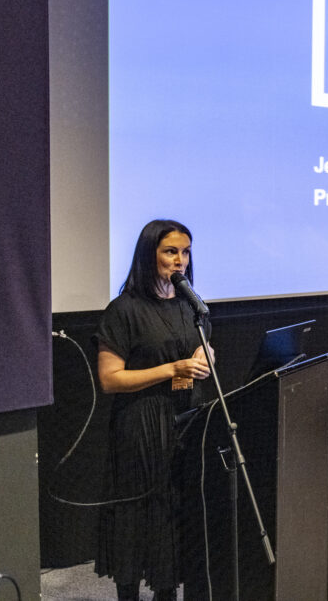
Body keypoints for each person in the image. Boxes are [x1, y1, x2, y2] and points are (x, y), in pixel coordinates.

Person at [94, 220, 213, 601]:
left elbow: (196, 352)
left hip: (184, 419)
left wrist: (204, 356)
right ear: (150, 255)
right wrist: (172, 369)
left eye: (185, 252)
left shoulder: (188, 306)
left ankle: (167, 594)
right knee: (137, 517)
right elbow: (110, 379)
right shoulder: (124, 310)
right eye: (170, 251)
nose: (180, 261)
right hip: (140, 427)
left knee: (173, 515)